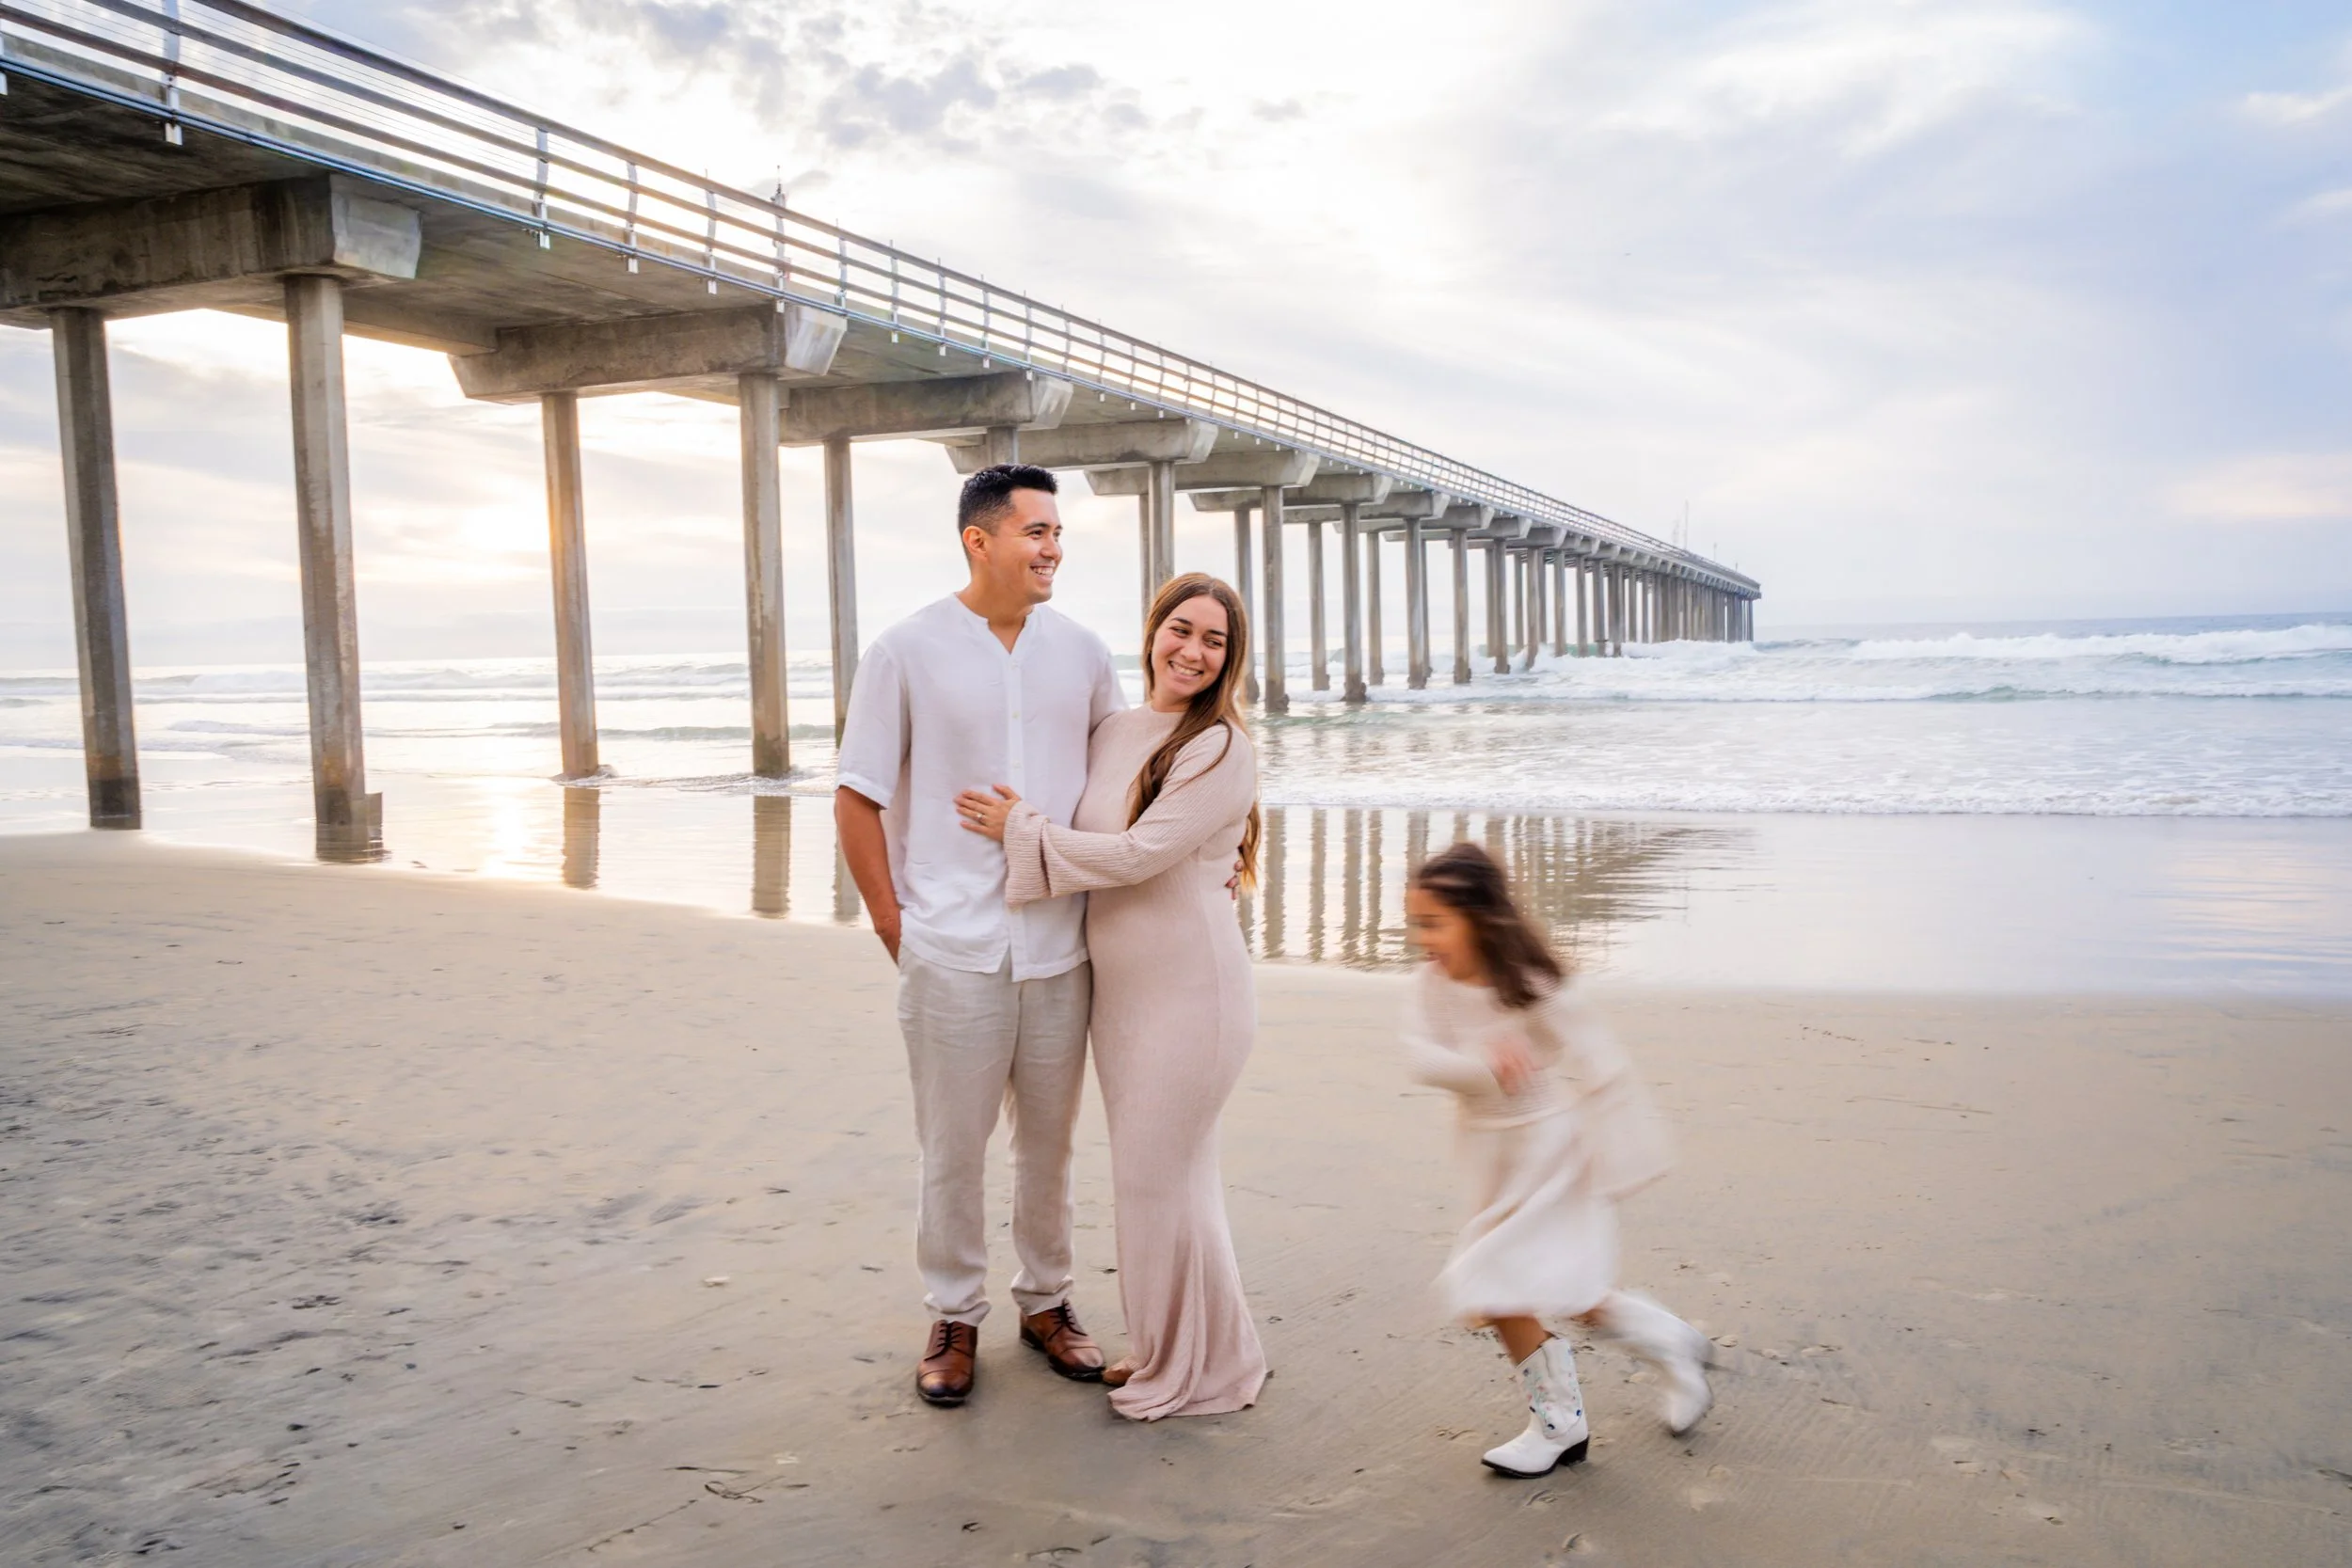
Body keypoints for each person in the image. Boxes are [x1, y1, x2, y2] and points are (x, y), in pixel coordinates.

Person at [834, 463, 1121, 1407]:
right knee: (951, 1146)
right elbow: (857, 796)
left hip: (1061, 946)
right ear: (980, 539)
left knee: (1050, 1144)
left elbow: (1122, 783)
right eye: (1037, 531)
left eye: (1058, 533)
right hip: (950, 947)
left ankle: (1047, 1301)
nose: (1053, 549)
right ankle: (954, 1314)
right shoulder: (904, 651)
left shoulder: (1083, 652)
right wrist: (897, 925)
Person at [957, 572, 1268, 1420]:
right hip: (1123, 997)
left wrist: (1019, 829)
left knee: (1159, 1180)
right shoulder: (1120, 729)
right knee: (1163, 1182)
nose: (1192, 651)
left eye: (1214, 640)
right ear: (1153, 630)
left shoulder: (1220, 747)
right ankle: (1182, 1350)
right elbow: (1087, 817)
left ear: (1231, 657)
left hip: (1192, 995)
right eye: (1180, 629)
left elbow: (1137, 855)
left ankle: (1199, 1366)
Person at [1402, 842, 1714, 1478]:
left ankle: (1559, 1424)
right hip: (1490, 1155)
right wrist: (1486, 1067)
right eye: (1417, 923)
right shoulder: (1428, 985)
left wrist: (1624, 1154)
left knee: (1495, 1285)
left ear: (1478, 919)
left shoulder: (1527, 982)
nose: (1422, 939)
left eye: (1434, 923)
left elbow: (1601, 1063)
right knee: (1564, 1291)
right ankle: (1669, 1341)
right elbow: (1420, 1058)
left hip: (1548, 1151)